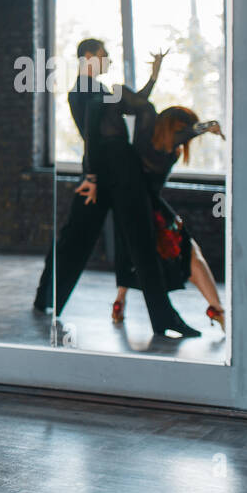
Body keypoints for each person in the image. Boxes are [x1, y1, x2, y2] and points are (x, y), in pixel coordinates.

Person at [33, 40, 197, 337]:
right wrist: (92, 177)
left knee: (142, 243)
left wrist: (155, 75)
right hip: (104, 171)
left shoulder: (105, 92)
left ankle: (164, 319)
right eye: (104, 55)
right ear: (88, 57)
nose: (108, 60)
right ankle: (46, 298)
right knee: (75, 238)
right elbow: (92, 137)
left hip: (122, 171)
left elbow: (139, 103)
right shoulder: (82, 95)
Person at [110, 93, 226, 330]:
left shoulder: (144, 140)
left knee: (133, 256)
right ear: (178, 128)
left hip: (127, 207)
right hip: (153, 210)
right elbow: (185, 133)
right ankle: (218, 311)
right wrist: (206, 127)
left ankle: (119, 301)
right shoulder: (167, 148)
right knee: (191, 254)